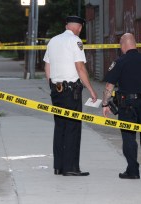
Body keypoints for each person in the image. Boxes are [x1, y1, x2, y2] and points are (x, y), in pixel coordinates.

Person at [102, 33, 141, 179]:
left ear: (123, 45)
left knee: (129, 138)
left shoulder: (120, 61)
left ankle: (133, 171)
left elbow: (109, 86)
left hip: (127, 105)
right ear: (135, 44)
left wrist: (105, 103)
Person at [43, 16, 97, 176]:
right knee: (72, 128)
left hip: (56, 90)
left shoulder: (53, 41)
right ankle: (71, 168)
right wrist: (91, 90)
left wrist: (53, 85)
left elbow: (47, 66)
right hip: (70, 92)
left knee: (60, 128)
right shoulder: (76, 41)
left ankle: (59, 166)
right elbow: (80, 67)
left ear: (66, 25)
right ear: (79, 28)